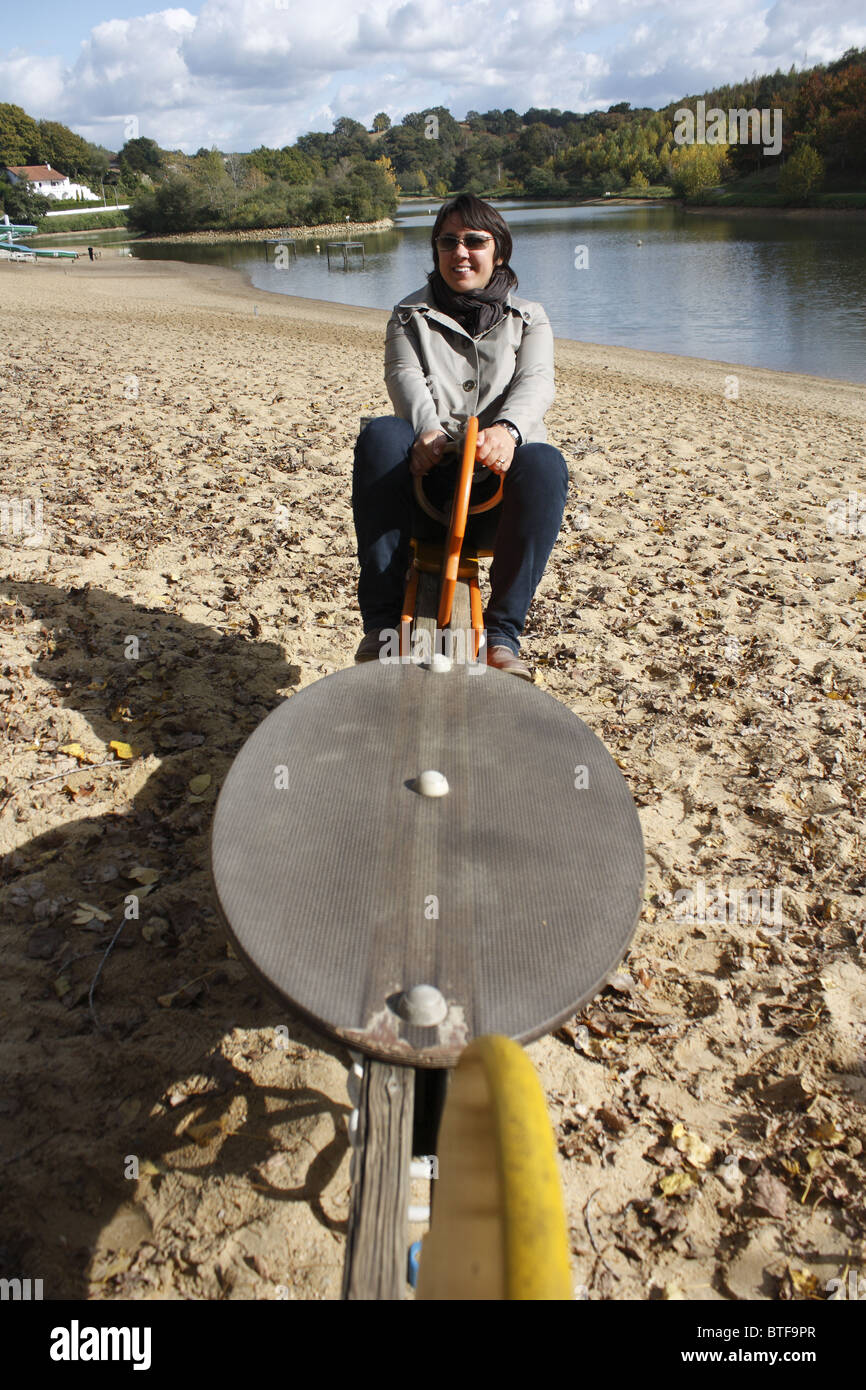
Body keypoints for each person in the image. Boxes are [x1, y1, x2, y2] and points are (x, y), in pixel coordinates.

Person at [352, 193, 568, 679]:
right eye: (447, 242)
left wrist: (508, 432)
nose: (460, 253)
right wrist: (426, 429)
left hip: (495, 494)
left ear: (500, 252)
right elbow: (403, 376)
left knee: (546, 462)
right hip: (424, 487)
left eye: (474, 241)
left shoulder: (529, 317)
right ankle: (382, 626)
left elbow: (538, 382)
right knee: (382, 435)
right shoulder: (409, 315)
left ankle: (503, 635)